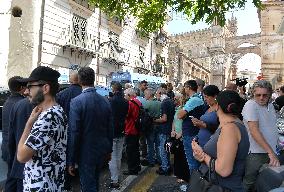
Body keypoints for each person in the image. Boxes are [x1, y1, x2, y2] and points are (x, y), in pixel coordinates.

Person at [17, 66, 67, 191]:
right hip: (50, 184)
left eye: (30, 87)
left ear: (45, 88)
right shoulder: (57, 111)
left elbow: (22, 156)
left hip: (41, 186)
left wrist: (28, 124)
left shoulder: (49, 117)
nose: (26, 92)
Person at [192, 90, 250, 192]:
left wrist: (203, 155)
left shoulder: (230, 128)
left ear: (217, 106)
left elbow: (224, 170)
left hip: (222, 187)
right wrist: (201, 156)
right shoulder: (230, 123)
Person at [68, 67, 113, 192]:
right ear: (94, 80)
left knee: (88, 185)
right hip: (101, 150)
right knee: (95, 182)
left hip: (85, 152)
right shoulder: (105, 101)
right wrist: (109, 150)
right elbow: (110, 128)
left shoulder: (76, 102)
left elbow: (74, 132)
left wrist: (71, 160)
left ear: (80, 81)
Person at [242, 80, 280, 192]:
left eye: (265, 95)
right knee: (249, 182)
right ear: (253, 94)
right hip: (256, 153)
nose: (261, 98)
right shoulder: (250, 105)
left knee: (266, 181)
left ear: (270, 94)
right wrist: (271, 153)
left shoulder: (271, 106)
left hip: (270, 151)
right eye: (258, 95)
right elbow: (254, 131)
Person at [56, 71, 82, 190]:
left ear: (70, 81)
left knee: (66, 159)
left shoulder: (62, 94)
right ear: (80, 80)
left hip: (66, 132)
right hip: (83, 133)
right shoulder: (84, 93)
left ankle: (67, 185)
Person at [177, 80, 205, 174]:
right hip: (193, 132)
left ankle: (194, 185)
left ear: (188, 88)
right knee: (194, 161)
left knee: (192, 162)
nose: (184, 89)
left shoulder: (194, 100)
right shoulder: (197, 99)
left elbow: (180, 115)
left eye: (185, 87)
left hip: (190, 134)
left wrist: (181, 110)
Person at [6, 98, 33, 192]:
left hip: (19, 163)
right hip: (33, 166)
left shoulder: (17, 105)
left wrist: (12, 158)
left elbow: (11, 139)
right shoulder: (48, 107)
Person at [108, 82, 129, 189]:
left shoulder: (111, 101)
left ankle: (114, 179)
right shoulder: (125, 102)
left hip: (112, 131)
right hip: (122, 130)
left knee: (112, 156)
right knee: (118, 156)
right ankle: (116, 177)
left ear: (113, 89)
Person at [1, 76, 26, 163]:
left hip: (7, 147)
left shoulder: (7, 102)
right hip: (15, 150)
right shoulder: (22, 104)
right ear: (22, 88)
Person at [154, 87, 175, 175]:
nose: (156, 96)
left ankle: (165, 168)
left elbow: (164, 119)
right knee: (166, 149)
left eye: (156, 94)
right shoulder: (170, 101)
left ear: (160, 93)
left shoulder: (164, 103)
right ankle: (167, 166)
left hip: (164, 129)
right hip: (169, 128)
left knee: (162, 150)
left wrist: (154, 120)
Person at [171, 93, 190, 183]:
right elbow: (174, 121)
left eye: (178, 98)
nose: (176, 100)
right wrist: (173, 130)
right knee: (177, 155)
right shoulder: (177, 109)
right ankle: (177, 173)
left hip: (182, 136)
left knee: (182, 156)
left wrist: (181, 133)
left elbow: (187, 124)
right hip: (176, 135)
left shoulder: (185, 110)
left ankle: (183, 176)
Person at [123, 88, 141, 175]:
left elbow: (127, 115)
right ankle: (137, 167)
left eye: (125, 95)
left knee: (130, 151)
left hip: (130, 129)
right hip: (137, 128)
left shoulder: (130, 103)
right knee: (136, 149)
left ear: (129, 95)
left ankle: (132, 169)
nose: (124, 97)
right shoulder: (138, 101)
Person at [141, 88, 161, 167]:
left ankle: (151, 161)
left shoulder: (146, 104)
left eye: (145, 94)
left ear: (149, 95)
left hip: (150, 126)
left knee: (150, 144)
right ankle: (159, 159)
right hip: (159, 125)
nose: (144, 95)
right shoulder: (159, 103)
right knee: (158, 144)